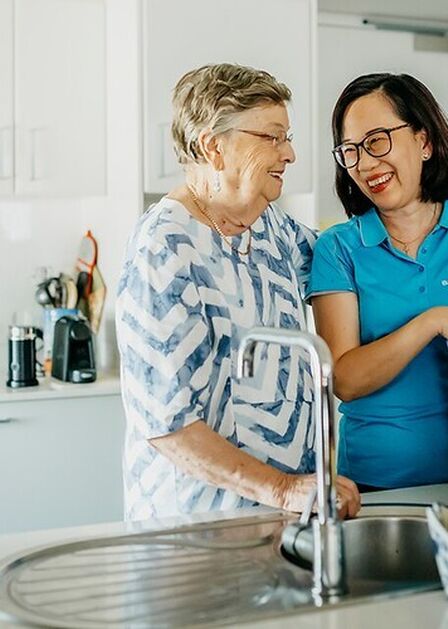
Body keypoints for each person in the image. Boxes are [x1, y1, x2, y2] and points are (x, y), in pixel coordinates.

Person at [116, 63, 360, 521]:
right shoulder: (164, 247)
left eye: (287, 137)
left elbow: (353, 267)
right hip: (194, 529)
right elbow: (169, 427)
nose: (289, 154)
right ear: (213, 146)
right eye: (272, 137)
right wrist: (285, 489)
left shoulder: (273, 227)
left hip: (279, 519)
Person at [307, 73, 448, 491]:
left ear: (424, 141)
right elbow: (344, 379)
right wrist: (432, 321)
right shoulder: (338, 248)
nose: (365, 163)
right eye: (350, 151)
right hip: (375, 485)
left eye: (377, 140)